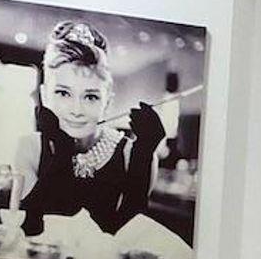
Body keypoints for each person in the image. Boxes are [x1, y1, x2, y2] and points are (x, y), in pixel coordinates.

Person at [14, 19, 177, 242]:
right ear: (44, 95)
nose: (76, 110)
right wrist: (61, 151)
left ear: (107, 102)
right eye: (63, 93)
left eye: (90, 96)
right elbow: (29, 229)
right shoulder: (29, 148)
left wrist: (142, 157)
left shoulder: (131, 153)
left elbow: (130, 240)